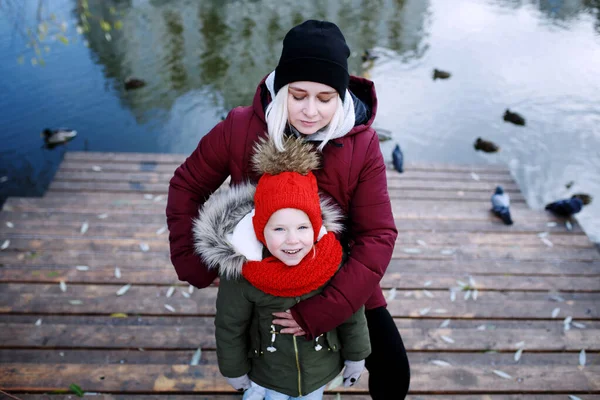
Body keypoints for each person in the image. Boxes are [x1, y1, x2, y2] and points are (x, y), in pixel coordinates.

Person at [166, 19, 411, 399]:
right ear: (282, 89)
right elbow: (186, 186)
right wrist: (194, 262)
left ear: (341, 95)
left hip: (335, 272)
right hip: (260, 277)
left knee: (394, 370)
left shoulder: (361, 144)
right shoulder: (240, 128)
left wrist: (326, 310)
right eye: (298, 95)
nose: (310, 111)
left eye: (324, 98)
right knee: (257, 365)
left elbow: (378, 234)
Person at [192, 135, 370, 399]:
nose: (292, 240)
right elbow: (230, 326)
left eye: (302, 227)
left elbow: (351, 312)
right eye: (279, 229)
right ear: (261, 231)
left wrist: (356, 356)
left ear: (315, 227)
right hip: (269, 372)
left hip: (319, 369)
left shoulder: (331, 260)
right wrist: (234, 370)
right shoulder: (244, 273)